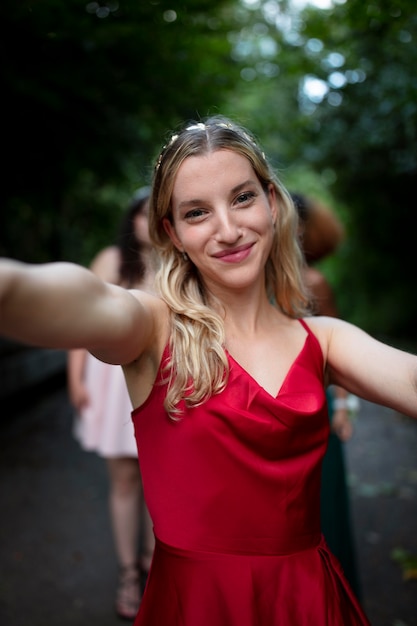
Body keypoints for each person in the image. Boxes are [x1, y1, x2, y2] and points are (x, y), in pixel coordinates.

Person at [0, 115, 416, 626]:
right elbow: (72, 297)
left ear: (271, 201)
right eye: (198, 212)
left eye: (242, 198)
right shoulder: (151, 328)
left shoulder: (324, 339)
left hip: (305, 600)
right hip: (194, 604)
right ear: (171, 232)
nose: (228, 229)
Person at [67, 187, 156, 620]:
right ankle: (128, 573)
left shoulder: (179, 262)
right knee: (124, 481)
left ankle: (157, 564)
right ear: (131, 220)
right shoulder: (110, 261)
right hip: (110, 382)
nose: (147, 221)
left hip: (160, 380)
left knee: (162, 483)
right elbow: (79, 322)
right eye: (141, 213)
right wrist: (75, 378)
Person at [291, 191, 361, 597]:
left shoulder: (313, 282)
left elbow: (341, 354)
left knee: (323, 512)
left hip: (314, 411)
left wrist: (343, 408)